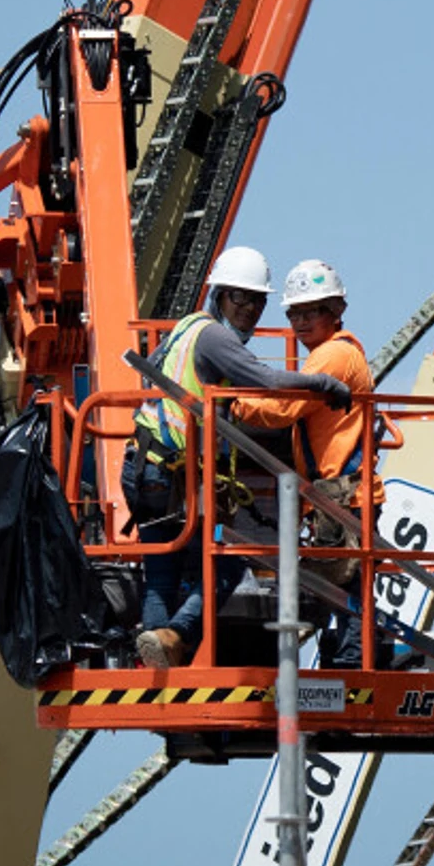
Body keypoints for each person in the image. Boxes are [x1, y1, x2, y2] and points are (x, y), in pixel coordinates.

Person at [124, 245, 351, 667]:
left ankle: (154, 659)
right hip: (171, 475)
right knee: (228, 566)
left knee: (162, 574)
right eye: (240, 298)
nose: (249, 308)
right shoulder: (215, 337)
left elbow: (153, 370)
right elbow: (265, 380)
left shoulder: (187, 327)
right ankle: (177, 634)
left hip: (145, 467)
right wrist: (320, 382)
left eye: (258, 301)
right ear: (220, 295)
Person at [228, 258, 380, 668]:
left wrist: (233, 402)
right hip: (337, 493)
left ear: (336, 312)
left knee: (348, 578)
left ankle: (353, 658)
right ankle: (352, 653)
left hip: (346, 493)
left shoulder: (332, 356)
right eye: (294, 313)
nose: (300, 321)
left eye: (310, 312)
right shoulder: (328, 354)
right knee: (343, 579)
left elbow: (281, 408)